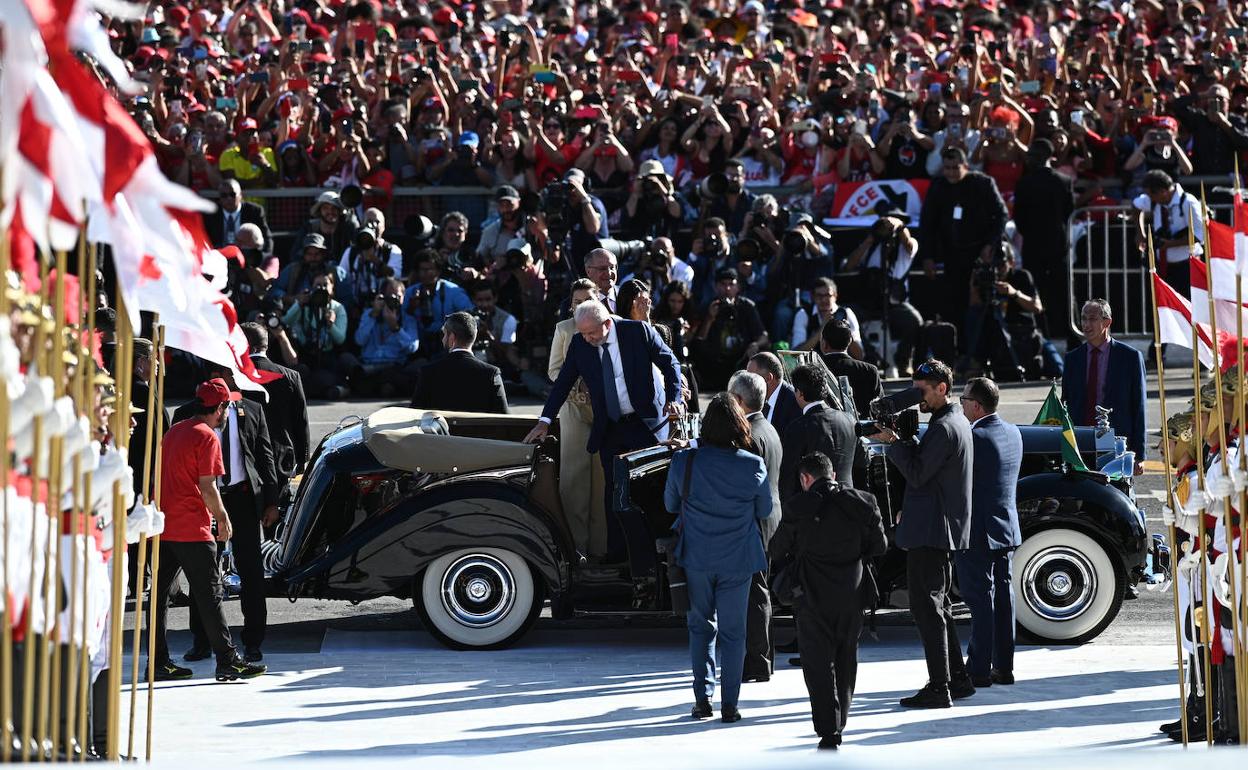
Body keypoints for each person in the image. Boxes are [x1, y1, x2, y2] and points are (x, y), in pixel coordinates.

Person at [525, 300, 682, 557]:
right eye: (583, 333)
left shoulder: (637, 332)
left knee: (651, 490)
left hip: (645, 425)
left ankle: (657, 556)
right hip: (610, 428)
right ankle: (619, 557)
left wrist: (675, 398)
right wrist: (544, 421)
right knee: (614, 494)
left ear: (607, 324)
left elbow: (671, 363)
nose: (587, 338)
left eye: (592, 333)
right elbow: (563, 383)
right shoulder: (579, 344)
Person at [871, 359, 974, 708]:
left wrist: (894, 442)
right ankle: (957, 680)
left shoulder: (945, 428)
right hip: (938, 527)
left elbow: (916, 474)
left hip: (931, 530)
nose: (917, 398)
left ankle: (940, 687)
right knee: (940, 607)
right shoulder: (953, 421)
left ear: (942, 388)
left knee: (927, 608)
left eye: (922, 391)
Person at [664, 394, 772, 724]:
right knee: (734, 633)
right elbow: (764, 510)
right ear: (740, 425)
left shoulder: (685, 461)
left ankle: (702, 699)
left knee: (700, 628)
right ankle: (730, 705)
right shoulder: (752, 464)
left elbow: (670, 504)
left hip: (696, 556)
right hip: (738, 557)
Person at [150, 378, 267, 682]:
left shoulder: (175, 431)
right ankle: (227, 660)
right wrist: (224, 519)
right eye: (227, 405)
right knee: (210, 594)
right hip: (192, 526)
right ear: (220, 407)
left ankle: (159, 661)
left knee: (159, 596)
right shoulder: (208, 436)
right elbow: (208, 487)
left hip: (164, 525)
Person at [770, 452, 887, 750]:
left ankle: (828, 728)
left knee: (817, 663)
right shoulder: (864, 501)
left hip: (811, 595)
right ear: (833, 474)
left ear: (806, 479)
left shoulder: (798, 507)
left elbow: (776, 548)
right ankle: (842, 719)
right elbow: (880, 546)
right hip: (852, 591)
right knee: (847, 656)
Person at [172, 372, 279, 663]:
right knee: (203, 573)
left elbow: (264, 454)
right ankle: (202, 640)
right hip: (204, 501)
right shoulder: (186, 415)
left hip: (242, 497)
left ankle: (253, 640)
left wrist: (271, 501)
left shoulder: (251, 409)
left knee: (251, 571)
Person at [953, 377, 1023, 688]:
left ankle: (979, 668)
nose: (961, 404)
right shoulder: (1013, 432)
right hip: (1005, 527)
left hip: (979, 530)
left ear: (976, 405)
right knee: (1003, 597)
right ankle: (1003, 666)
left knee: (980, 598)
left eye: (964, 399)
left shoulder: (974, 437)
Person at [727, 370, 783, 683]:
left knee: (754, 595)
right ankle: (762, 658)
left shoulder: (750, 436)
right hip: (770, 519)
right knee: (759, 592)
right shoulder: (768, 429)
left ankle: (757, 661)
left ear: (738, 400)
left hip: (754, 524)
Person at [918, 147, 1008, 341]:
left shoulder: (983, 184)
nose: (950, 172)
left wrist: (990, 244)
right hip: (952, 254)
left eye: (954, 167)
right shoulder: (938, 186)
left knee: (982, 304)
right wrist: (928, 256)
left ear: (965, 165)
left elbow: (1001, 215)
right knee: (954, 304)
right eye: (947, 168)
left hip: (980, 253)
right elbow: (928, 224)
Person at [548, 280, 608, 558]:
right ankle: (576, 548)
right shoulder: (563, 329)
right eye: (576, 301)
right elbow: (554, 372)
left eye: (587, 299)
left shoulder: (611, 324)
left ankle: (601, 549)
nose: (580, 305)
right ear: (570, 305)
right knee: (574, 479)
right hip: (574, 408)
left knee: (602, 480)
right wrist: (577, 386)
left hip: (605, 409)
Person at [1062, 299, 1147, 466]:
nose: (1086, 324)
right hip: (1080, 439)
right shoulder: (1073, 359)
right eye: (1083, 318)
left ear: (1107, 322)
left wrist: (1139, 454)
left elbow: (1139, 407)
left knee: (1115, 491)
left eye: (1092, 319)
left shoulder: (1129, 358)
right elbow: (1066, 403)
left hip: (1116, 440)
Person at [1012, 139, 1075, 339]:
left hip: (1033, 244)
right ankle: (1070, 333)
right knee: (1063, 291)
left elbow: (1019, 218)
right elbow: (1069, 212)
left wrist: (1030, 232)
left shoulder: (1024, 183)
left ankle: (1041, 334)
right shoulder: (1064, 181)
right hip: (1058, 243)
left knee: (1036, 289)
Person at [242, 322, 309, 485]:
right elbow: (300, 420)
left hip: (245, 459)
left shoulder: (235, 376)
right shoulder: (291, 376)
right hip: (281, 457)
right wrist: (302, 458)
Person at [779, 363, 856, 500]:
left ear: (800, 393)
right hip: (848, 502)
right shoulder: (849, 420)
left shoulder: (798, 427)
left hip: (814, 509)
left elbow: (788, 477)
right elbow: (862, 462)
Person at [410, 311, 509, 414]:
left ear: (452, 338)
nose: (443, 339)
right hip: (478, 430)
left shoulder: (428, 372)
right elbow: (504, 418)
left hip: (441, 430)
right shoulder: (491, 373)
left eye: (444, 334)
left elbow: (414, 415)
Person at [1132, 170, 1205, 299]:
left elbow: (1200, 235)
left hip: (1187, 267)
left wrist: (1171, 244)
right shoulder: (1154, 200)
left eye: (1151, 195)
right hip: (1163, 267)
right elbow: (1136, 206)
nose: (1150, 199)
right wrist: (1140, 233)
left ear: (1162, 191)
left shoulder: (1188, 202)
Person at [695, 267, 768, 391]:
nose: (727, 289)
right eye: (723, 285)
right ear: (716, 286)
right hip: (715, 364)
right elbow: (699, 341)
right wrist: (709, 318)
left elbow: (764, 336)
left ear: (738, 287)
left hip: (740, 362)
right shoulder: (708, 306)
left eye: (731, 284)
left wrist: (755, 344)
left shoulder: (747, 306)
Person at [351, 277, 422, 396]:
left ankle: (381, 387)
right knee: (347, 360)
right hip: (369, 366)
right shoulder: (370, 314)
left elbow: (413, 348)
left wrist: (395, 328)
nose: (394, 300)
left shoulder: (408, 319)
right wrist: (373, 315)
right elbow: (359, 340)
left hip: (394, 366)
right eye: (390, 296)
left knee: (420, 364)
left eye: (398, 297)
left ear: (403, 298)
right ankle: (383, 387)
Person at [403, 250, 473, 357]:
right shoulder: (410, 293)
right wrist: (411, 307)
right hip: (419, 345)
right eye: (422, 269)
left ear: (438, 270)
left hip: (447, 345)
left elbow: (470, 316)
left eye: (430, 269)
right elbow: (403, 319)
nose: (426, 273)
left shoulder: (454, 291)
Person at [820, 320, 883, 419]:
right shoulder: (870, 370)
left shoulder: (813, 369)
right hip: (863, 431)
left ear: (824, 343)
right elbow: (880, 409)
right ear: (850, 341)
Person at [203, 179, 272, 259]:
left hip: (247, 257)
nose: (229, 198)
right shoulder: (211, 214)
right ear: (220, 198)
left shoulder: (254, 211)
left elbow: (267, 238)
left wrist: (262, 257)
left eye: (232, 194)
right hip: (219, 258)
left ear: (240, 195)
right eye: (224, 195)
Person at [790, 278, 861, 355]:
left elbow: (860, 355)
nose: (823, 300)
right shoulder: (803, 314)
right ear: (812, 297)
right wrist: (822, 328)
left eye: (827, 295)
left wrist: (846, 332)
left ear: (835, 296)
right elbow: (796, 353)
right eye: (819, 296)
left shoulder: (846, 313)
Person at [747, 352, 801, 437]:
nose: (747, 384)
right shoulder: (758, 399)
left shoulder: (794, 402)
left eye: (751, 378)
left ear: (768, 378)